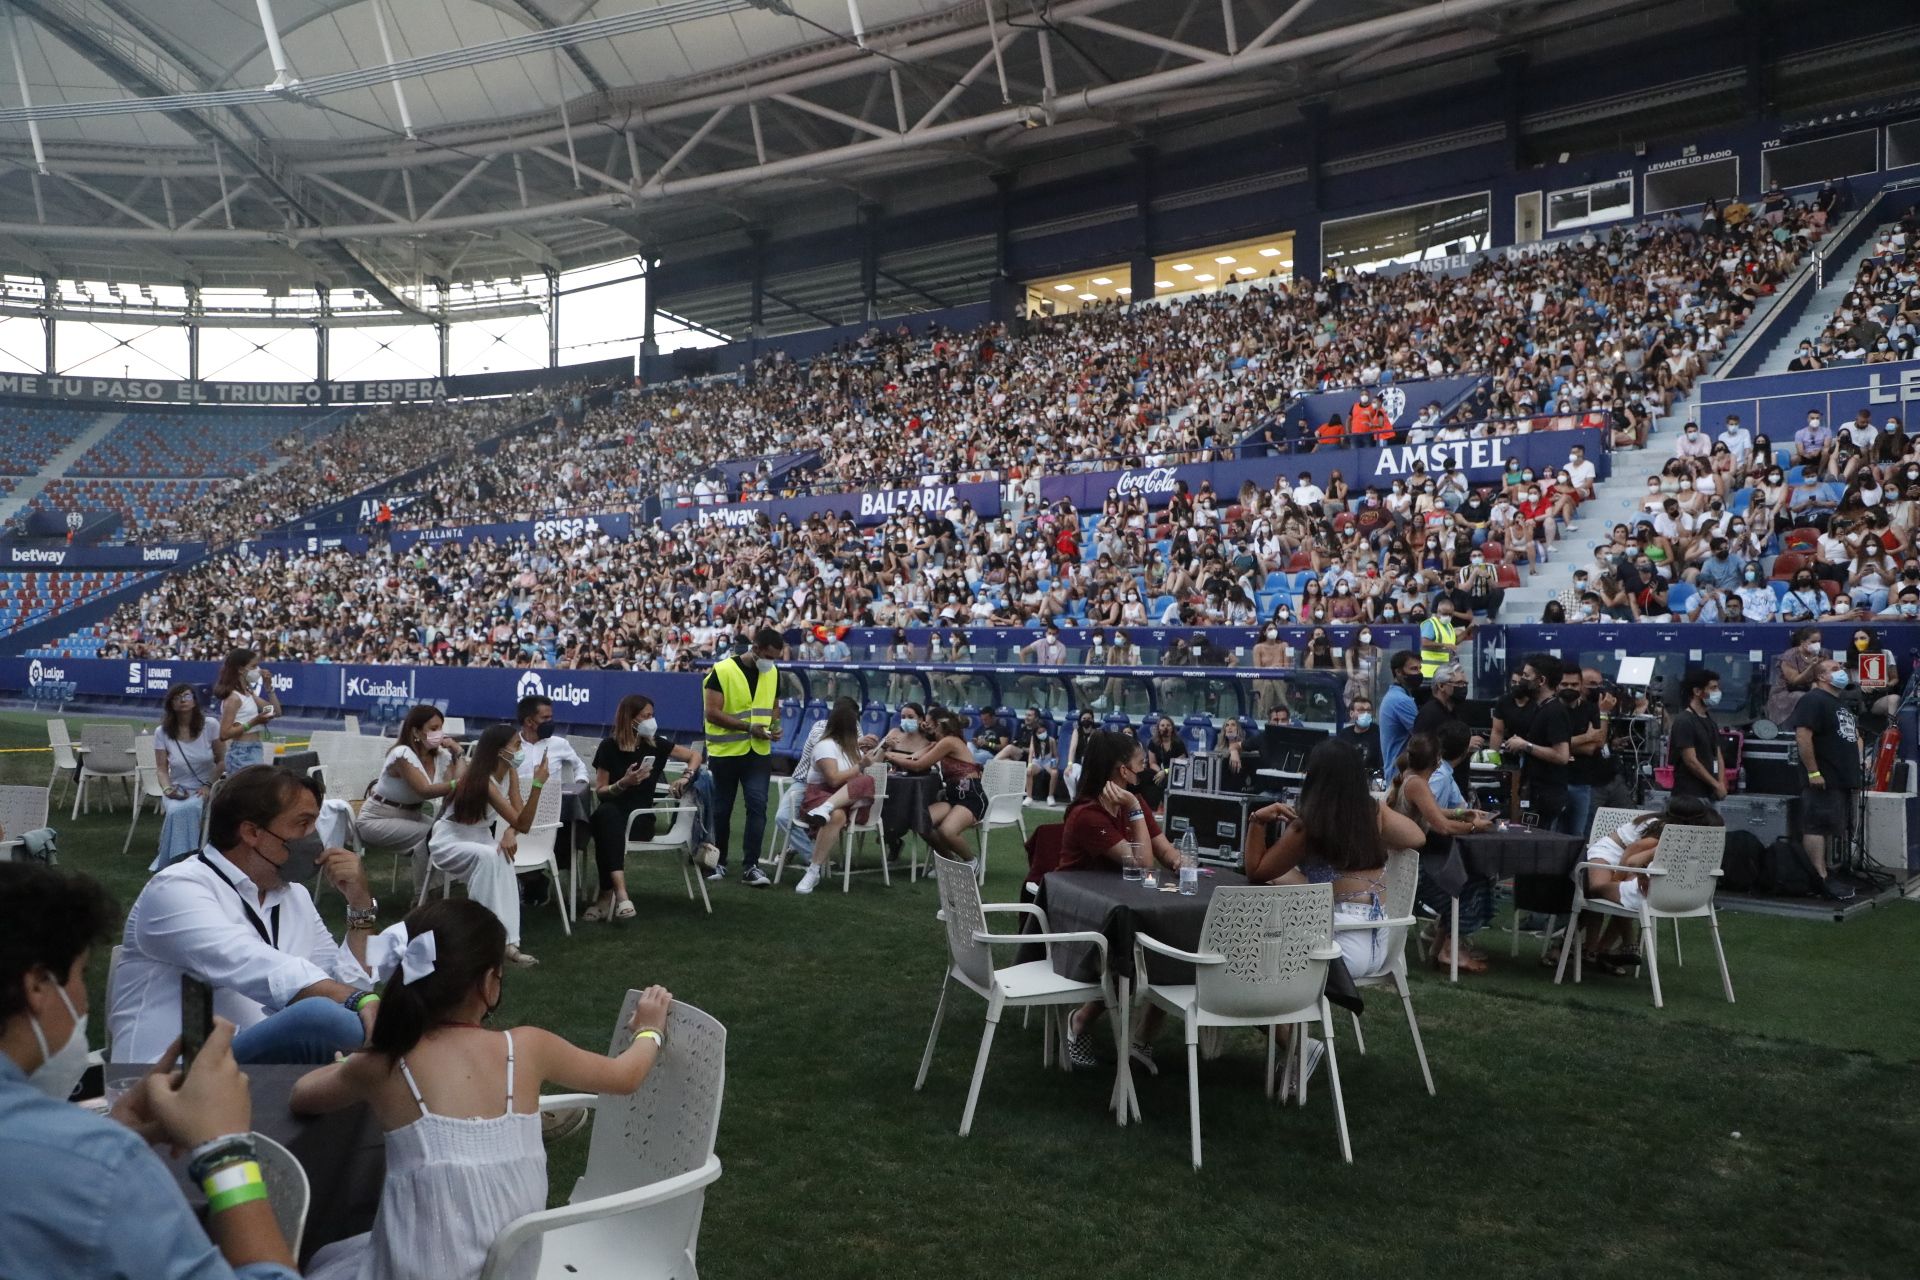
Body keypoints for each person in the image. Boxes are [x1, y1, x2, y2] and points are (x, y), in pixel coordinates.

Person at [292, 898, 674, 1280]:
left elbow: (302, 1097)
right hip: (512, 1269)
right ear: (489, 983)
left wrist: (352, 1064)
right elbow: (626, 1077)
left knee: (322, 1256)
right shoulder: (528, 1047)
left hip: (414, 1269)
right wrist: (650, 1029)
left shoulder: (380, 1066)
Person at [1, 861, 303, 1280]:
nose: (85, 1003)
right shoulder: (100, 1169)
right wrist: (225, 1152)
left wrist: (117, 1130)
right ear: (37, 986)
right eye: (81, 975)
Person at [112, 764, 377, 1065]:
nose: (314, 837)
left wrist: (360, 904)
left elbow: (343, 985)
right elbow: (252, 964)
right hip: (164, 1078)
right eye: (302, 824)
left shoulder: (294, 896)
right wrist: (355, 1001)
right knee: (322, 1019)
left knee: (351, 1034)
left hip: (250, 1073)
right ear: (252, 832)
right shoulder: (177, 889)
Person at [1244, 740, 1426, 986]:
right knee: (1282, 880)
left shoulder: (1309, 825)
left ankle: (1282, 1022)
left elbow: (1255, 870)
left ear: (1315, 778)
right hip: (1380, 944)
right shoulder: (1373, 811)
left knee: (1258, 948)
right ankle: (1287, 1022)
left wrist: (1257, 821)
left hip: (1340, 951)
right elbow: (1416, 836)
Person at [1058, 731, 1185, 1072]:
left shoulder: (1133, 800)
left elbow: (1163, 850)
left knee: (1176, 936)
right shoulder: (1088, 814)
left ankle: (1141, 1040)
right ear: (1120, 770)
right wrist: (1132, 811)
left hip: (1122, 906)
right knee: (1138, 949)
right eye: (1139, 764)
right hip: (1080, 918)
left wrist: (1178, 862)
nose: (1143, 771)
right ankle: (1080, 1021)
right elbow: (1142, 863)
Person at [585, 694, 715, 921]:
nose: (651, 721)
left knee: (604, 822)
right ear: (630, 718)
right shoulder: (608, 747)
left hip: (640, 820)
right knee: (606, 817)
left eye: (652, 716)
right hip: (613, 813)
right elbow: (601, 790)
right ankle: (621, 894)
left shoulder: (656, 745)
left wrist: (686, 777)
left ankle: (606, 897)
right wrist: (623, 783)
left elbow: (695, 755)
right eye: (646, 716)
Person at [426, 725, 547, 969]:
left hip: (480, 836)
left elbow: (518, 818)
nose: (520, 749)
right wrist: (537, 785)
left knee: (502, 859)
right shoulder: (483, 781)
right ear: (499, 751)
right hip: (449, 839)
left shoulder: (509, 772)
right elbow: (523, 822)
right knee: (489, 856)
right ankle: (480, 940)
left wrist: (509, 834)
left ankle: (509, 944)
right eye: (516, 745)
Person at [1573, 797, 1725, 972]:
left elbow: (1634, 861)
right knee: (1599, 888)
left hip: (1646, 879)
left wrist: (1630, 878)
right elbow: (1630, 856)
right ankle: (1600, 948)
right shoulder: (1672, 837)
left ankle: (1600, 948)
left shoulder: (1676, 839)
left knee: (1603, 891)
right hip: (1614, 854)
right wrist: (1622, 879)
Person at [1386, 731, 1494, 973]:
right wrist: (1475, 826)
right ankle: (1449, 950)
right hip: (1411, 869)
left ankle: (1441, 947)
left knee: (1467, 876)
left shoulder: (1409, 778)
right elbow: (1441, 826)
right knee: (1468, 883)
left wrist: (1461, 814)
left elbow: (1433, 811)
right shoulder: (1417, 784)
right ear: (1437, 760)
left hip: (1405, 862)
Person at [702, 628, 786, 886]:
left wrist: (775, 725)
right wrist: (749, 728)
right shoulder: (723, 670)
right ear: (756, 648)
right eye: (769, 655)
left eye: (776, 657)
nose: (772, 661)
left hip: (758, 752)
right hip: (725, 753)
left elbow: (773, 704)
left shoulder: (772, 672)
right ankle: (718, 862)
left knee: (758, 806)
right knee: (721, 809)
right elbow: (712, 713)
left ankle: (752, 866)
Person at [356, 705, 464, 891]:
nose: (439, 733)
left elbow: (458, 783)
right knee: (432, 835)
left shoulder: (441, 756)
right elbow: (425, 790)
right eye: (433, 729)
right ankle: (424, 894)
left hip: (411, 815)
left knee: (447, 832)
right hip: (377, 818)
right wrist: (458, 784)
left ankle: (437, 889)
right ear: (415, 731)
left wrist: (459, 753)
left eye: (440, 728)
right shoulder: (401, 754)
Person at [1788, 658, 1863, 900]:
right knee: (1816, 826)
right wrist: (1813, 772)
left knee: (1831, 826)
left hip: (1843, 777)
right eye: (1834, 669)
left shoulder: (1839, 703)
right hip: (1824, 776)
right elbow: (1803, 736)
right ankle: (1818, 878)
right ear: (1821, 677)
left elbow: (1854, 736)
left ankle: (1829, 871)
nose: (1841, 672)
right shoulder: (1813, 700)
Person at [793, 699, 881, 894]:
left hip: (843, 799)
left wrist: (883, 749)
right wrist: (860, 766)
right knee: (838, 816)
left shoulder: (852, 749)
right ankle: (813, 871)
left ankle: (826, 809)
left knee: (867, 781)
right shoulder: (826, 746)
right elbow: (833, 780)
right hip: (819, 796)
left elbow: (862, 774)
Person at [508, 694, 585, 903]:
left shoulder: (559, 744)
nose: (551, 722)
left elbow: (579, 766)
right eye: (546, 718)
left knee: (570, 828)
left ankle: (543, 874)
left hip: (553, 815)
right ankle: (529, 878)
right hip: (514, 814)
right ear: (529, 722)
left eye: (551, 717)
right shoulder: (510, 745)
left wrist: (579, 783)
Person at [886, 710, 985, 863]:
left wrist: (888, 756)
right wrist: (886, 753)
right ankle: (949, 860)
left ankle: (971, 861)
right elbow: (914, 757)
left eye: (927, 722)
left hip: (971, 796)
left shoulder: (949, 741)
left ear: (937, 724)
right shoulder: (940, 743)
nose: (924, 725)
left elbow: (918, 765)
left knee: (947, 831)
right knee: (922, 823)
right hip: (953, 797)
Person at [151, 681, 227, 871]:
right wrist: (167, 789)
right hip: (178, 786)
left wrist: (209, 785)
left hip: (208, 785)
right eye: (177, 698)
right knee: (178, 809)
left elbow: (222, 761)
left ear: (194, 700)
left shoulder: (210, 725)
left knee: (190, 807)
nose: (182, 701)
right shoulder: (162, 732)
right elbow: (161, 768)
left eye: (186, 696)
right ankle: (181, 857)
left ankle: (181, 858)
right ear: (171, 704)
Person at [1494, 653, 1573, 829]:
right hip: (1534, 790)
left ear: (1541, 680)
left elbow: (1561, 755)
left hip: (1546, 796)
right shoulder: (1541, 708)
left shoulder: (1554, 711)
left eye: (1526, 676)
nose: (1522, 680)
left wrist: (1525, 745)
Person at [1556, 666, 1603, 839]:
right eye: (1565, 684)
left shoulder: (1591, 709)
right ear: (1557, 685)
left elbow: (1594, 745)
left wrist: (1562, 744)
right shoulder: (1551, 709)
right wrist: (1586, 736)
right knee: (1553, 832)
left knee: (1577, 834)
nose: (1569, 688)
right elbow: (1547, 743)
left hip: (1581, 781)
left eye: (1574, 684)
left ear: (1581, 685)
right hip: (1555, 781)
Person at [213, 648, 279, 770]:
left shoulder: (248, 693)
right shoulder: (234, 698)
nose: (258, 670)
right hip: (241, 751)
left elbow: (276, 711)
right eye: (253, 666)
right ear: (241, 669)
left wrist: (269, 688)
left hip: (255, 747)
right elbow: (224, 734)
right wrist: (255, 721)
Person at [1668, 669, 1726, 806]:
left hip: (1710, 794)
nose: (1717, 692)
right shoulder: (1684, 721)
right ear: (1697, 691)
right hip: (1690, 796)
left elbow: (1717, 754)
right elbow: (1691, 761)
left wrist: (1720, 783)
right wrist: (1716, 785)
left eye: (1717, 687)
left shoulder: (1710, 721)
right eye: (1713, 688)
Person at [1765, 626, 1827, 725]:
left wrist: (1816, 683)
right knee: (1806, 698)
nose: (1817, 645)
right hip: (1786, 692)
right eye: (1813, 642)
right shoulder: (1790, 656)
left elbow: (1824, 673)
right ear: (1803, 643)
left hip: (1813, 689)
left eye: (1819, 641)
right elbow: (1794, 681)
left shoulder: (1823, 653)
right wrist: (1811, 666)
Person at [1378, 650, 1421, 782]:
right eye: (1413, 669)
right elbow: (1422, 735)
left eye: (1419, 668)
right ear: (1398, 672)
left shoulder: (1398, 696)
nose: (1418, 673)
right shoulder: (1400, 700)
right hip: (1401, 776)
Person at [1140, 715, 1187, 810]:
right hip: (1158, 770)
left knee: (1166, 779)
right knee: (1146, 776)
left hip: (1175, 771)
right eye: (1162, 725)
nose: (1165, 727)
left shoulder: (1179, 743)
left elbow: (1180, 764)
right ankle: (1151, 807)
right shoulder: (1153, 742)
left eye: (1168, 725)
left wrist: (1165, 772)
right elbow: (1152, 763)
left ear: (1172, 728)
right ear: (1158, 728)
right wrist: (1160, 771)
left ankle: (1167, 807)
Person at [1417, 599, 1465, 677]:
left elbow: (1453, 643)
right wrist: (1444, 645)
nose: (1448, 616)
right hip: (1429, 672)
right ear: (1438, 611)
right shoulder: (1431, 624)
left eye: (1450, 614)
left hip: (1444, 673)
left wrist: (1468, 629)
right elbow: (1423, 642)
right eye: (1445, 614)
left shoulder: (1448, 625)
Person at [1336, 696, 1382, 774]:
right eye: (1361, 710)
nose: (1366, 713)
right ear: (1351, 714)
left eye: (1368, 710)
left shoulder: (1379, 733)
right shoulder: (1344, 735)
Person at [1214, 716, 1257, 791]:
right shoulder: (1218, 749)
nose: (1229, 727)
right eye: (1227, 725)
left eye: (1233, 725)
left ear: (1238, 730)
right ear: (1224, 731)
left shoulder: (1246, 748)